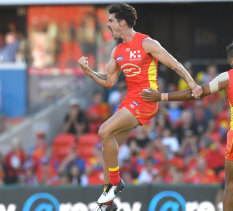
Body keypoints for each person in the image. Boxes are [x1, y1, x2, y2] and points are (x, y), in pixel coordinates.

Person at [77, 3, 202, 210]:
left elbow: (175, 64)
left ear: (122, 22)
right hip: (130, 100)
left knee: (103, 131)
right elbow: (108, 81)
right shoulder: (117, 51)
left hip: (145, 99)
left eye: (110, 21)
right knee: (108, 146)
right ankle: (108, 201)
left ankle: (115, 184)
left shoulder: (146, 43)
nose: (108, 25)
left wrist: (194, 85)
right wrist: (89, 71)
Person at [140, 41, 233, 211]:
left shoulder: (227, 76)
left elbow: (196, 92)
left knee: (231, 186)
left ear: (232, 62)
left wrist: (162, 96)